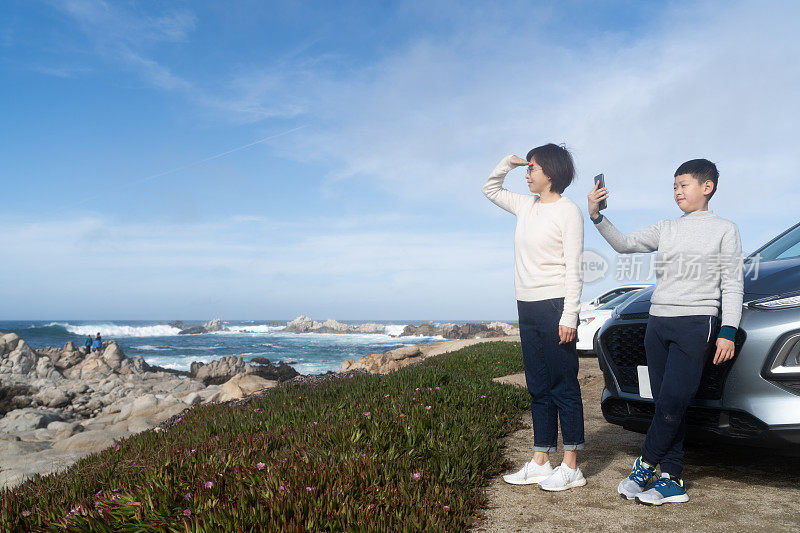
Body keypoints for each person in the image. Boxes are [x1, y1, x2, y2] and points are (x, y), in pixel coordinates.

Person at [587, 158, 743, 505]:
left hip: (695, 323)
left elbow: (732, 283)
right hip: (657, 324)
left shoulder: (724, 229)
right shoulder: (667, 227)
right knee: (664, 404)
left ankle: (645, 464)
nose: (677, 192)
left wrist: (728, 330)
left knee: (674, 400)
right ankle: (672, 479)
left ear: (707, 187)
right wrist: (597, 216)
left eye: (684, 184)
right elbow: (625, 244)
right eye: (674, 186)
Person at [483, 143, 587, 491]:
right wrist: (508, 164)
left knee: (564, 385)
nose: (528, 174)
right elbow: (490, 189)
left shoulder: (569, 211)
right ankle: (541, 459)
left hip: (555, 305)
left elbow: (575, 267)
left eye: (533, 169)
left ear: (551, 174)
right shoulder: (525, 205)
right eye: (527, 169)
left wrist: (569, 315)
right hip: (525, 305)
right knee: (538, 385)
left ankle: (571, 466)